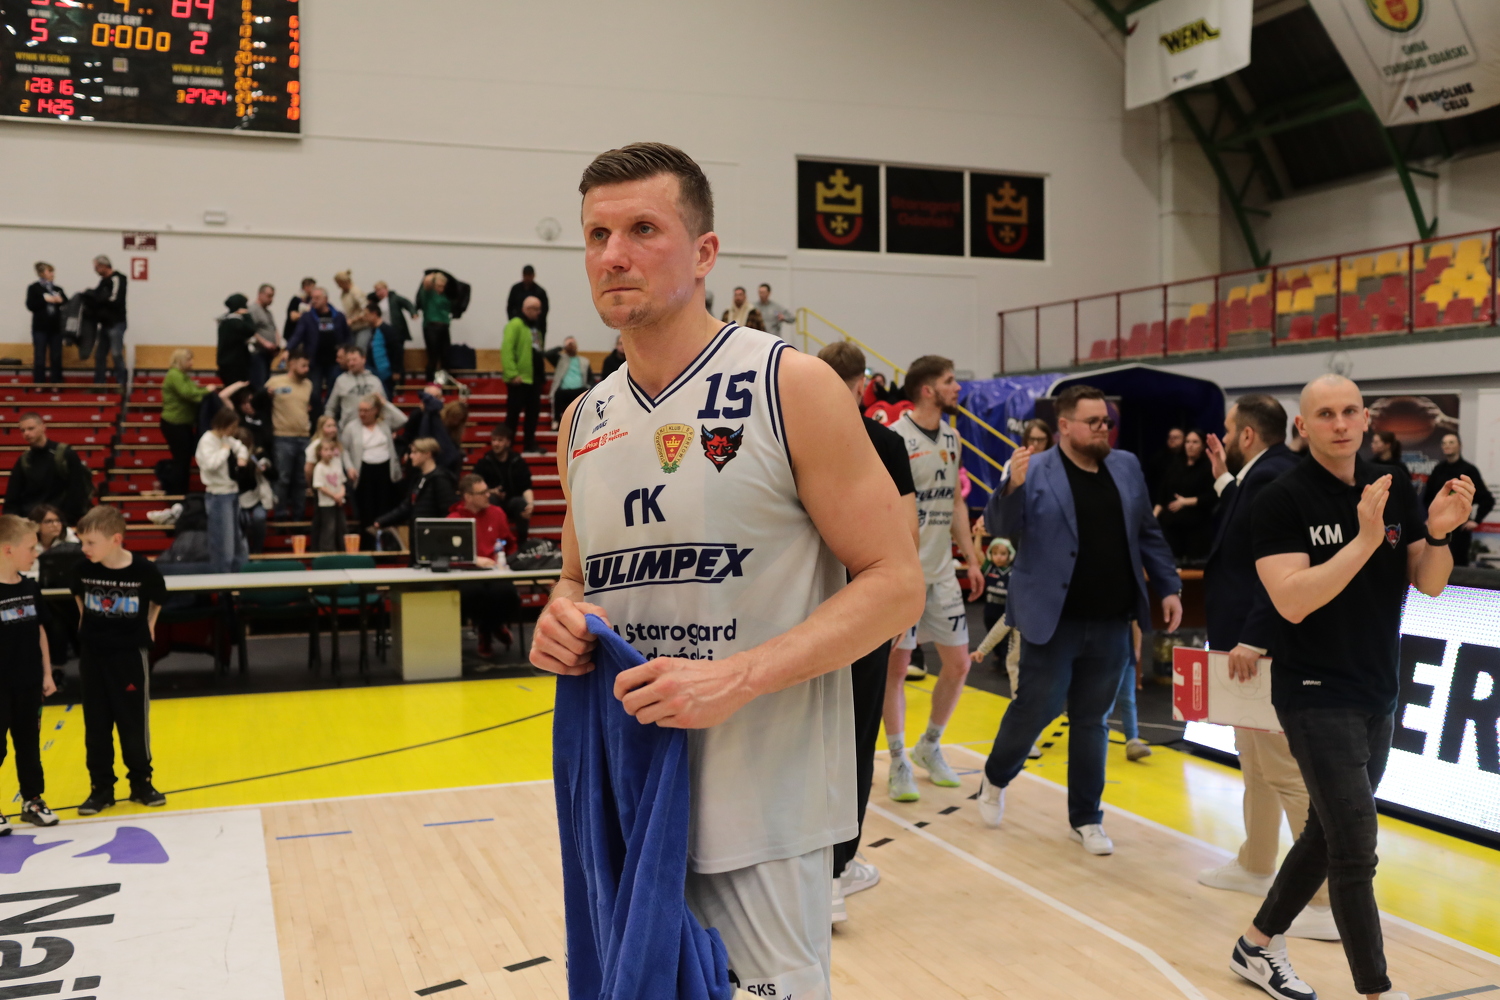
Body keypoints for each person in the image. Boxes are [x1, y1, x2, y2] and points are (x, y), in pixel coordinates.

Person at [533, 142, 922, 999]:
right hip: (628, 804)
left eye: (643, 229)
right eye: (597, 235)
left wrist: (736, 677)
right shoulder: (582, 419)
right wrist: (560, 618)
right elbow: (577, 579)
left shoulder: (793, 385)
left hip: (764, 811)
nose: (614, 255)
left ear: (705, 252)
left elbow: (897, 583)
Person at [1228, 374, 1472, 1000]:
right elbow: (1291, 601)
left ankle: (1256, 944)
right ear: (1303, 426)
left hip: (1378, 688)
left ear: (1366, 420)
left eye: (1349, 412)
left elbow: (1430, 582)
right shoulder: (1281, 499)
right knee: (1356, 847)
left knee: (1327, 832)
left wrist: (1439, 533)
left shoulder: (1393, 487)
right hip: (1313, 691)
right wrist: (1365, 540)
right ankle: (1376, 990)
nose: (1339, 424)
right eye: (1325, 414)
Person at [978, 384, 1183, 855]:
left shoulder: (1125, 466)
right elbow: (999, 527)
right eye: (1093, 422)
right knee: (1036, 708)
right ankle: (995, 777)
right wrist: (1012, 487)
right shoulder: (1032, 468)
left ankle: (1086, 818)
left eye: (1106, 421)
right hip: (1054, 619)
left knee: (1093, 720)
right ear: (1065, 426)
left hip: (1112, 618)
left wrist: (1169, 586)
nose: (1103, 429)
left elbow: (1147, 533)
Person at [1196, 395, 1336, 940]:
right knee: (1254, 758)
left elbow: (1275, 571)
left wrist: (1254, 639)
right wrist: (1222, 480)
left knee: (1283, 770)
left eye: (1229, 429)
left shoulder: (1275, 477)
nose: (1226, 435)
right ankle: (1256, 863)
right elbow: (1246, 534)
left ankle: (1322, 899)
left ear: (1248, 435)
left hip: (1264, 648)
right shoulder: (1262, 475)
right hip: (1248, 645)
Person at [815, 339, 919, 923]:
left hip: (802, 610)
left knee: (801, 734)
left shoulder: (790, 438)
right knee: (856, 738)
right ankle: (836, 874)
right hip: (862, 609)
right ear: (862, 386)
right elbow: (905, 532)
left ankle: (800, 867)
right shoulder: (884, 442)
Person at [884, 355, 986, 802]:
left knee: (959, 663)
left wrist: (972, 559)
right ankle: (897, 760)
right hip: (905, 574)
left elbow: (956, 503)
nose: (957, 387)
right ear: (928, 390)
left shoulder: (952, 436)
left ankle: (928, 745)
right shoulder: (895, 438)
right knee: (897, 668)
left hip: (943, 571)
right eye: (949, 381)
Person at [70, 504, 168, 815]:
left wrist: (150, 625)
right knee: (96, 725)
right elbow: (77, 595)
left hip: (129, 656)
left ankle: (141, 783)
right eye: (82, 542)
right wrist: (85, 622)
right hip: (93, 655)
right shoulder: (83, 569)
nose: (84, 548)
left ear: (115, 539)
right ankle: (101, 789)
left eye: (90, 542)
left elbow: (158, 599)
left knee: (133, 722)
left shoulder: (144, 571)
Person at [0, 515, 61, 830]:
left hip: (29, 683)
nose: (36, 554)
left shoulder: (29, 587)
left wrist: (46, 673)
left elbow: (40, 631)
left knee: (28, 745)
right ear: (8, 550)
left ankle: (32, 800)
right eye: (31, 548)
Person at [449, 473, 522, 659]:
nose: (488, 495)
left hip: (495, 571)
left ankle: (490, 627)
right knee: (472, 594)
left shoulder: (497, 513)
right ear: (468, 497)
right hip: (466, 573)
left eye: (487, 491)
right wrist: (473, 560)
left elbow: (510, 543)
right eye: (482, 493)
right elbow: (449, 554)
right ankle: (489, 631)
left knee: (506, 593)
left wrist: (506, 559)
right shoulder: (454, 519)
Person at [342, 393, 409, 546]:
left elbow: (403, 420)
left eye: (366, 410)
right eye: (360, 410)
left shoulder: (384, 423)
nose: (362, 414)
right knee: (367, 511)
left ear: (375, 410)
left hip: (386, 472)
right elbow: (344, 450)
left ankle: (387, 545)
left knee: (386, 510)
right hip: (364, 473)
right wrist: (349, 467)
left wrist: (385, 404)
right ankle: (368, 545)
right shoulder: (351, 427)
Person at [4, 412, 93, 524]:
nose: (26, 433)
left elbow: (77, 490)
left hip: (61, 520)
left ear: (43, 427)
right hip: (32, 522)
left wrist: (68, 519)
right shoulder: (24, 460)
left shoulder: (65, 454)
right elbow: (12, 497)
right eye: (23, 430)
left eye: (31, 428)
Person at [1423, 432, 1492, 567]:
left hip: (1459, 528)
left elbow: (1487, 499)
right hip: (1438, 526)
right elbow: (1428, 497)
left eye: (1451, 442)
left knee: (1457, 565)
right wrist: (1429, 517)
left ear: (1459, 446)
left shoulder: (1469, 470)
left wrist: (1476, 520)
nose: (1447, 446)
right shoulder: (1438, 469)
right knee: (1435, 563)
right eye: (1444, 443)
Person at [196, 407, 250, 574]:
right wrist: (225, 450)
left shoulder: (226, 438)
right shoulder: (207, 441)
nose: (234, 430)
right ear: (222, 424)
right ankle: (223, 576)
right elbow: (210, 465)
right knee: (223, 541)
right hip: (218, 496)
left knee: (237, 538)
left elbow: (241, 447)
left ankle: (239, 572)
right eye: (232, 426)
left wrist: (242, 457)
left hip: (232, 492)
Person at [264, 350, 315, 519]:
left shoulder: (308, 384)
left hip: (304, 437)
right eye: (303, 365)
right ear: (291, 364)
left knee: (301, 480)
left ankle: (298, 518)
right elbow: (261, 403)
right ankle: (279, 517)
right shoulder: (275, 382)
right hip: (282, 437)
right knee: (282, 479)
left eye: (308, 366)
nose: (307, 369)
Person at [1155, 428, 1217, 562]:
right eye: (1188, 442)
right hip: (1171, 528)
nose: (1190, 445)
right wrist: (1153, 518)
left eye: (1195, 442)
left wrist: (1185, 502)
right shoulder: (1175, 465)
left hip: (1196, 530)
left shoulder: (1208, 468)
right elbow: (1162, 495)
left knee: (1195, 566)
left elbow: (1212, 497)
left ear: (1203, 446)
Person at [373, 438, 457, 535]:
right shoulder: (418, 478)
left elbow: (448, 511)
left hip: (433, 535)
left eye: (415, 452)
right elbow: (407, 506)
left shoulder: (440, 479)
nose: (411, 456)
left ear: (427, 454)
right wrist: (383, 521)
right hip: (419, 532)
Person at [285, 287, 349, 412]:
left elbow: (347, 336)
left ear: (326, 299)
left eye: (317, 298)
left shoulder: (338, 316)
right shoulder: (307, 317)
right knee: (314, 392)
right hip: (314, 362)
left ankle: (330, 417)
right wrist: (288, 349)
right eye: (312, 298)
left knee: (334, 391)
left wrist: (345, 351)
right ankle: (318, 417)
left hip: (335, 361)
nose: (314, 301)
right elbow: (297, 335)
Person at [160, 349, 212, 495]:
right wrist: (207, 390)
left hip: (183, 424)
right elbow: (189, 394)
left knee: (184, 461)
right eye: (189, 360)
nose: (192, 363)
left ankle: (181, 492)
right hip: (175, 423)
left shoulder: (183, 376)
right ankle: (177, 494)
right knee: (181, 461)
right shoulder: (174, 375)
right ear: (181, 360)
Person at [473, 424, 534, 546]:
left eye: (500, 440)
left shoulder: (517, 461)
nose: (496, 444)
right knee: (491, 501)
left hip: (512, 502)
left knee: (520, 503)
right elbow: (474, 486)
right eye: (494, 440)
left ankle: (522, 544)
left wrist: (530, 504)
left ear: (508, 442)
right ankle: (491, 544)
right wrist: (490, 492)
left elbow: (526, 487)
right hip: (491, 502)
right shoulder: (484, 462)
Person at [501, 295, 545, 452]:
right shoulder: (515, 324)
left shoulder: (535, 327)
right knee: (513, 415)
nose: (539, 312)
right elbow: (507, 350)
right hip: (519, 379)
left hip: (534, 378)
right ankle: (508, 446)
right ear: (526, 309)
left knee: (533, 414)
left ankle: (529, 444)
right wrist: (512, 374)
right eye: (536, 309)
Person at [86, 255, 128, 387]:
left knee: (116, 354)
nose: (95, 270)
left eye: (97, 267)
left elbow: (115, 300)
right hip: (105, 324)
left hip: (116, 323)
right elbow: (97, 297)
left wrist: (100, 299)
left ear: (104, 266)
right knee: (99, 355)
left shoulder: (118, 278)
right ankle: (99, 385)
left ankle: (121, 384)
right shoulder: (103, 282)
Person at [326, 344, 386, 429]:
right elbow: (330, 408)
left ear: (363, 359)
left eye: (354, 360)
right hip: (347, 430)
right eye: (348, 360)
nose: (351, 363)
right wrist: (330, 425)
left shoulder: (375, 381)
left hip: (371, 430)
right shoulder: (341, 380)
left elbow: (384, 407)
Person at [235, 427, 274, 554]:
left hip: (259, 497)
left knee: (259, 517)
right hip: (239, 497)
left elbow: (275, 476)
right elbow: (241, 482)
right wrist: (243, 467)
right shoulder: (233, 458)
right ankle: (242, 551)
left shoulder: (259, 453)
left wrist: (265, 470)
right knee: (241, 518)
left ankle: (257, 551)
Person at [26, 262, 66, 385]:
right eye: (50, 271)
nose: (53, 274)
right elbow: (30, 305)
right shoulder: (34, 288)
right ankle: (39, 383)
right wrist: (44, 300)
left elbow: (66, 302)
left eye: (53, 271)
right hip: (40, 328)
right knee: (39, 357)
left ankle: (56, 382)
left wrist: (60, 301)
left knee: (56, 356)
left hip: (56, 328)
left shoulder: (57, 289)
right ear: (42, 273)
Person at [371, 281, 415, 387]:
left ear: (386, 289)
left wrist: (413, 312)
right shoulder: (377, 302)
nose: (378, 293)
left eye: (380, 290)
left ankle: (401, 382)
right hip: (385, 333)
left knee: (398, 356)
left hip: (397, 332)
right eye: (376, 291)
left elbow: (407, 303)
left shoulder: (394, 298)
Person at [310, 440, 349, 552]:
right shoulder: (319, 467)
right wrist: (334, 496)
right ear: (320, 452)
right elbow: (319, 486)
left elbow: (342, 482)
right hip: (326, 504)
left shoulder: (337, 465)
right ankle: (327, 551)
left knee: (342, 527)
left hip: (339, 502)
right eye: (326, 450)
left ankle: (343, 550)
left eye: (331, 450)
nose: (329, 452)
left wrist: (341, 494)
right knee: (329, 528)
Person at [415, 271, 453, 381]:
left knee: (446, 357)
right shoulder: (428, 293)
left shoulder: (445, 296)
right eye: (439, 286)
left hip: (444, 326)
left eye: (443, 286)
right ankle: (430, 382)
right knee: (433, 357)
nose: (441, 288)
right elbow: (426, 281)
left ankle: (444, 382)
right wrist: (433, 275)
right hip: (431, 327)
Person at [547, 336, 593, 425]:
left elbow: (590, 378)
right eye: (569, 343)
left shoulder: (584, 361)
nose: (571, 345)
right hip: (564, 391)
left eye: (573, 343)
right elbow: (548, 354)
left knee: (586, 391)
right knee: (558, 393)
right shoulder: (560, 359)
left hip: (579, 390)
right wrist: (563, 347)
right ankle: (556, 421)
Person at [216, 293, 256, 386]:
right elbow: (251, 330)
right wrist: (247, 315)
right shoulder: (235, 322)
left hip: (226, 363)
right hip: (235, 365)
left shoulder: (224, 320)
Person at [247, 283, 280, 391]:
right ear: (260, 294)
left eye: (272, 296)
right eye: (269, 296)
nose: (271, 299)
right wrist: (265, 343)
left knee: (266, 382)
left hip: (268, 354)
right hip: (258, 353)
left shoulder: (268, 312)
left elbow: (274, 329)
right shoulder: (253, 310)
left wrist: (277, 345)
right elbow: (251, 331)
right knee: (259, 384)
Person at [361, 303, 398, 396]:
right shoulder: (372, 331)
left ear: (374, 314)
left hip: (386, 373)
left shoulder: (387, 330)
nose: (364, 318)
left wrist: (396, 370)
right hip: (373, 372)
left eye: (366, 315)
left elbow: (397, 351)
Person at [334, 270, 373, 354]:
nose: (338, 286)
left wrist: (353, 320)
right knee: (351, 350)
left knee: (360, 350)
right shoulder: (344, 294)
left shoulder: (356, 292)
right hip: (352, 328)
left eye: (338, 284)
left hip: (362, 327)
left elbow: (366, 310)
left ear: (343, 282)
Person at [506, 264, 549, 334]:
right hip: (518, 325)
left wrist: (537, 322)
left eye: (529, 275)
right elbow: (510, 307)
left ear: (533, 275)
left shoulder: (540, 292)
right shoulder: (515, 289)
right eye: (525, 275)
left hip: (535, 327)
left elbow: (544, 311)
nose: (527, 278)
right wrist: (513, 321)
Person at [1146, 426, 1185, 498]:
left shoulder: (1188, 458)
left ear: (1184, 440)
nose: (1172, 440)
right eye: (1170, 437)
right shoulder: (1158, 458)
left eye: (1176, 437)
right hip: (1161, 497)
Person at [284, 276, 316, 344]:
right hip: (293, 335)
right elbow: (293, 317)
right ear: (306, 287)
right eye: (313, 287)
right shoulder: (296, 299)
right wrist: (308, 315)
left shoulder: (310, 301)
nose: (314, 290)